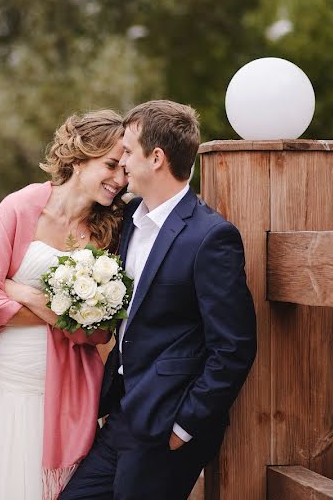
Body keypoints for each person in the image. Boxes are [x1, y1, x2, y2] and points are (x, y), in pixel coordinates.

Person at [60, 100, 257, 500]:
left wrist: (185, 426)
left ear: (156, 158)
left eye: (129, 152)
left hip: (168, 424)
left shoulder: (209, 237)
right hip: (124, 415)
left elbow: (234, 346)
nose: (123, 161)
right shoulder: (131, 223)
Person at [0, 110, 129, 500]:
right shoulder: (20, 207)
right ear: (79, 158)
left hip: (64, 396)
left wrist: (25, 293)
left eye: (125, 169)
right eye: (111, 165)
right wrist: (66, 314)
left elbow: (96, 333)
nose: (120, 180)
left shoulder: (110, 230)